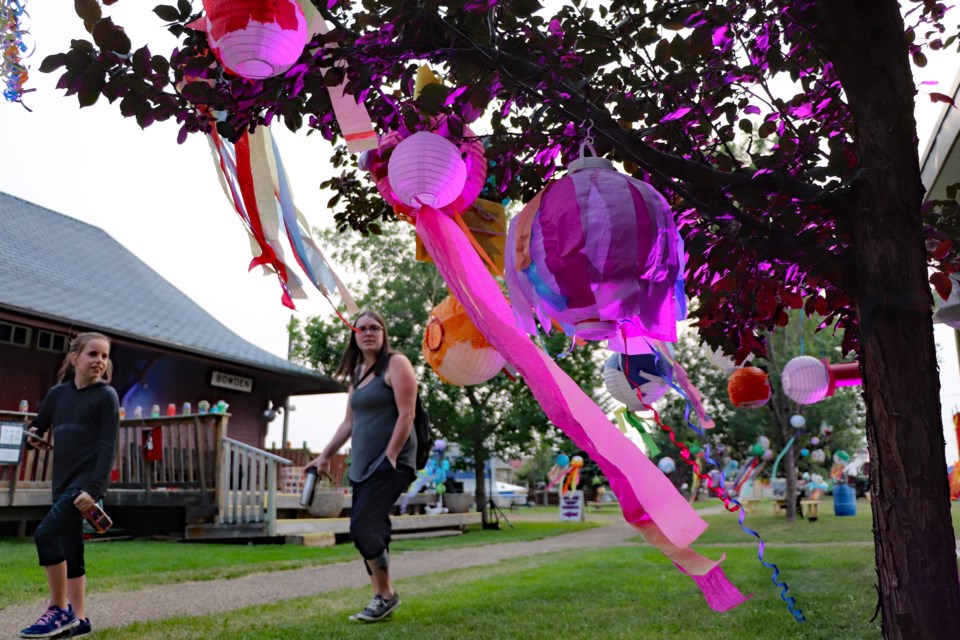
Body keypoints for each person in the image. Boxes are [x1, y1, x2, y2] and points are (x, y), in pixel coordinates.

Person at [307, 310, 418, 623]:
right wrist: (325, 455)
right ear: (354, 335)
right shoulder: (358, 374)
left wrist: (392, 456)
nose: (368, 333)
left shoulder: (396, 364)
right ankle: (381, 595)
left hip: (392, 463)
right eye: (362, 328)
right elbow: (349, 422)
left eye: (375, 328)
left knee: (361, 528)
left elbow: (406, 415)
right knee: (372, 527)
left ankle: (385, 595)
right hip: (363, 465)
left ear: (383, 333)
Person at [20, 332, 120, 638]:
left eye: (104, 356)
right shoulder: (58, 394)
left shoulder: (107, 397)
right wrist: (33, 436)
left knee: (46, 534)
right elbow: (39, 426)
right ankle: (80, 619)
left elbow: (108, 448)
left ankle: (59, 611)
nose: (100, 361)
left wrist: (94, 490)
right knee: (71, 551)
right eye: (93, 354)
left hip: (84, 485)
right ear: (75, 358)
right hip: (61, 482)